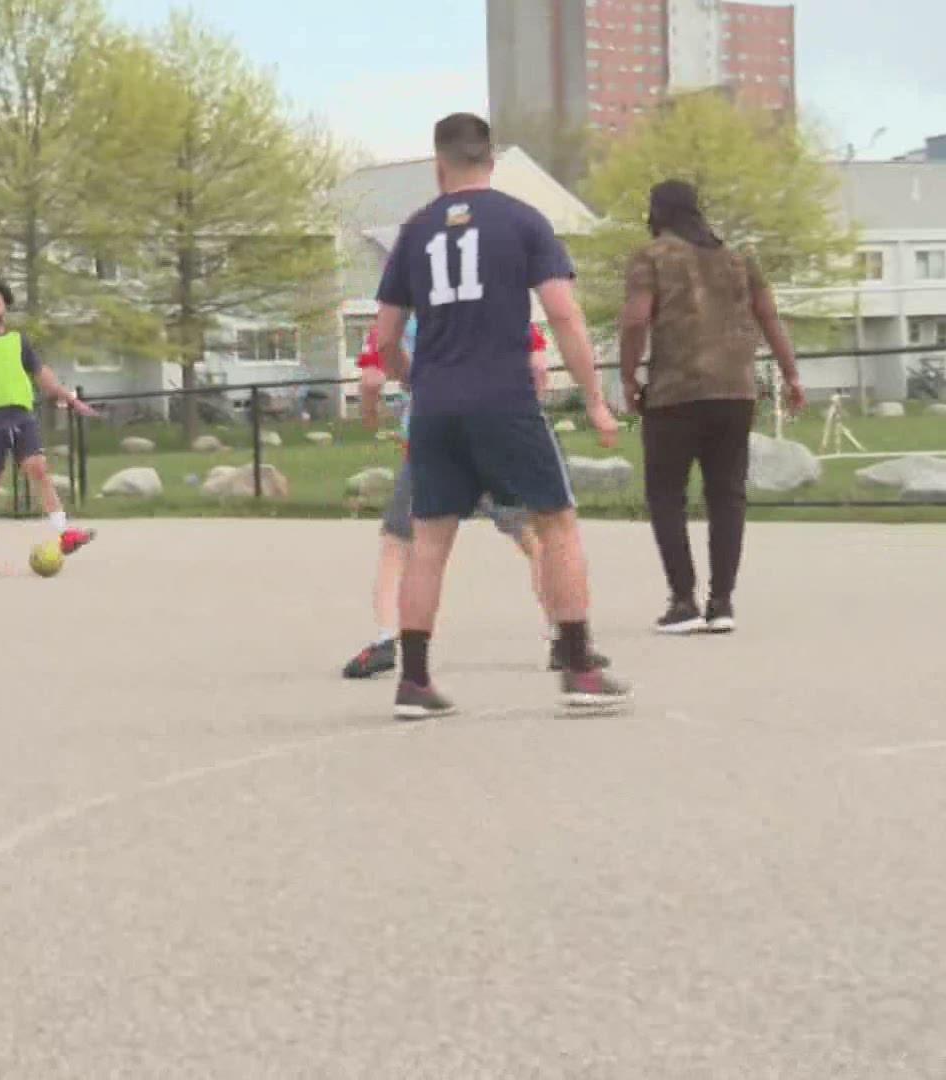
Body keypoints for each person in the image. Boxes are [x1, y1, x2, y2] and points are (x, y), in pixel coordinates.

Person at [372, 113, 629, 718]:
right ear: (491, 161)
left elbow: (384, 339)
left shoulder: (414, 230)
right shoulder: (521, 219)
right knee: (556, 523)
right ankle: (578, 667)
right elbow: (564, 313)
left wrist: (418, 381)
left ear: (439, 166)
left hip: (435, 404)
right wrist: (593, 396)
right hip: (504, 397)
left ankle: (414, 681)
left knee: (429, 539)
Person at [342, 321, 608, 679]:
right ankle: (564, 637)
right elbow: (538, 365)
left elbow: (372, 380)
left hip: (435, 437)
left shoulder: (404, 311)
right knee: (535, 539)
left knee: (403, 543)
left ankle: (389, 637)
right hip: (501, 433)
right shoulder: (496, 296)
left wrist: (372, 412)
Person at [619, 180, 803, 636]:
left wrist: (627, 374)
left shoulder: (652, 256)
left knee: (666, 495)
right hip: (734, 393)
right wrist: (791, 374)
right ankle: (721, 603)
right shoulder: (739, 259)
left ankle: (682, 601)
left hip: (674, 393)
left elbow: (637, 317)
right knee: (726, 496)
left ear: (656, 211)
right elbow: (769, 316)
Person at [0, 280, 99, 576]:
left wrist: (69, 399)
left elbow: (42, 375)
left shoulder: (19, 341)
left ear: (5, 306)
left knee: (38, 468)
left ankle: (64, 534)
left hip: (21, 416)